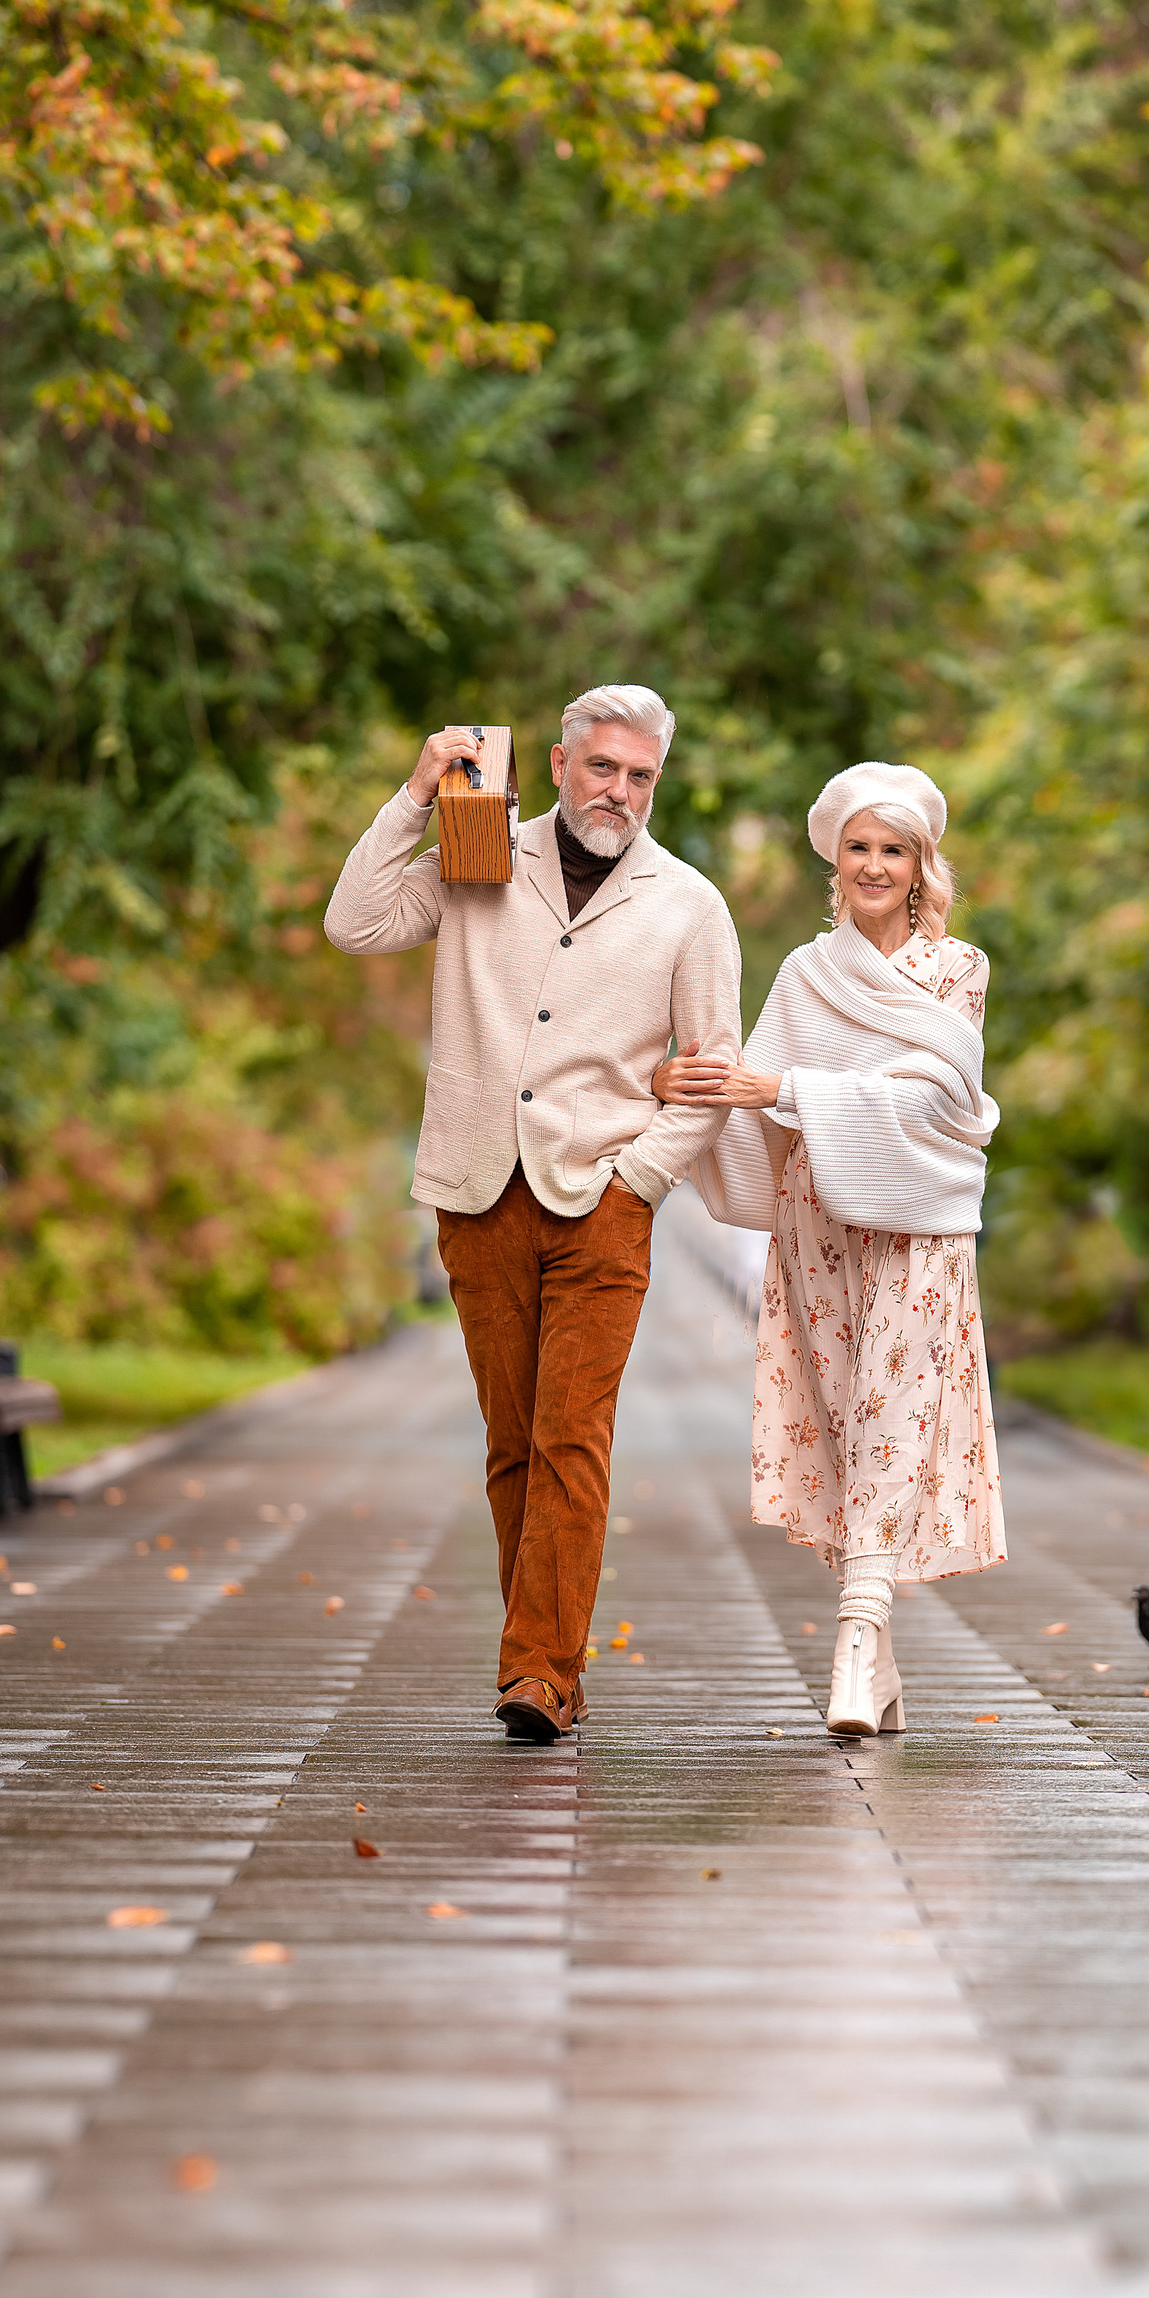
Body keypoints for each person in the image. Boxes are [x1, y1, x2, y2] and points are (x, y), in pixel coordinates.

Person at [325, 687, 742, 1742]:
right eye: (603, 767)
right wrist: (419, 793)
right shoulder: (479, 852)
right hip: (477, 1190)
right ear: (557, 764)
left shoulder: (687, 903)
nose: (621, 792)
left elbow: (713, 1070)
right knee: (511, 1441)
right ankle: (546, 1659)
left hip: (603, 1202)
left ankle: (539, 1674)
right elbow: (355, 920)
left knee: (570, 1437)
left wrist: (640, 1177)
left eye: (641, 775)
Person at [658, 762, 1003, 1736]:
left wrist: (785, 1093)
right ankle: (879, 1663)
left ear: (921, 864)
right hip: (818, 1219)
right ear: (836, 859)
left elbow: (937, 1101)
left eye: (894, 849)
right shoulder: (807, 975)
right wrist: (696, 1083)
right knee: (844, 1422)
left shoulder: (955, 971)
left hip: (922, 1221)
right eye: (859, 847)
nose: (875, 865)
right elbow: (742, 1086)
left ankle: (854, 1638)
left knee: (894, 1413)